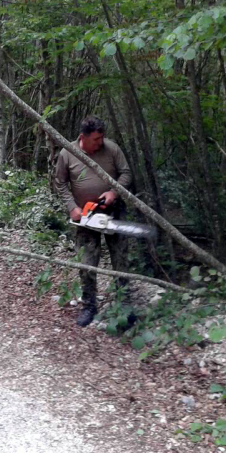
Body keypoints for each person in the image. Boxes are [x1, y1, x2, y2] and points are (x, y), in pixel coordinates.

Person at [55, 115, 133, 327]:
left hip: (113, 212)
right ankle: (89, 304)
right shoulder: (67, 153)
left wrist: (113, 192)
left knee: (121, 259)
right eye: (96, 139)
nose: (100, 142)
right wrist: (72, 208)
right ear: (84, 137)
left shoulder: (112, 149)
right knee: (87, 262)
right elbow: (60, 183)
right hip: (85, 217)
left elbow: (126, 174)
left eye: (102, 137)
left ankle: (124, 305)